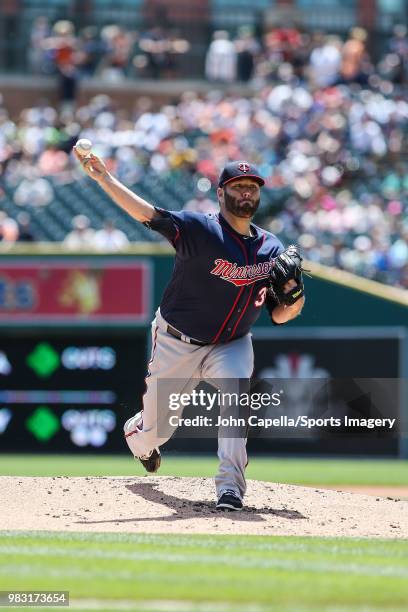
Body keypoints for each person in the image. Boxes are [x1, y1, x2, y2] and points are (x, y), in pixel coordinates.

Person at [74, 149, 305, 510]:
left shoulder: (271, 248)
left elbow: (281, 315)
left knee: (237, 396)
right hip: (176, 342)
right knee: (156, 431)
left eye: (253, 187)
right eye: (238, 185)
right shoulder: (199, 229)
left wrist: (294, 295)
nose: (246, 192)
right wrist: (104, 177)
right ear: (221, 192)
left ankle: (230, 488)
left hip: (231, 344)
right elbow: (147, 214)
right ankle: (139, 435)